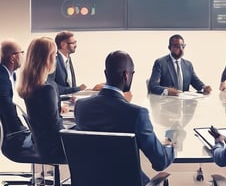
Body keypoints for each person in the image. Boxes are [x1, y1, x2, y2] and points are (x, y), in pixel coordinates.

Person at [74, 50, 175, 184]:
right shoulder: (137, 114)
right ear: (126, 75)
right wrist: (171, 146)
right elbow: (160, 162)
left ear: (106, 74)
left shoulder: (81, 107)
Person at [17, 37, 66, 163]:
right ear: (47, 58)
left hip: (41, 145)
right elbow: (55, 127)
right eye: (55, 55)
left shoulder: (29, 86)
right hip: (54, 148)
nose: (56, 59)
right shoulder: (47, 89)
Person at [148, 34, 212, 96]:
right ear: (169, 47)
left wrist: (204, 88)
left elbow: (195, 82)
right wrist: (167, 91)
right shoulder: (160, 63)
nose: (181, 49)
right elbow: (153, 86)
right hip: (167, 102)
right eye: (177, 46)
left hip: (184, 103)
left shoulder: (188, 65)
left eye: (182, 46)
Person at [0, 39, 34, 153]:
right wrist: (23, 131)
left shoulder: (11, 74)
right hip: (12, 137)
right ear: (12, 58)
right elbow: (7, 109)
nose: (23, 56)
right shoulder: (2, 79)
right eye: (21, 53)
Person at [48, 31, 87, 96]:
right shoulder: (53, 60)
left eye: (75, 42)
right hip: (59, 101)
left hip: (69, 99)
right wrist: (77, 89)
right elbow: (51, 86)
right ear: (63, 44)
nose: (75, 45)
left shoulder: (68, 58)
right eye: (73, 43)